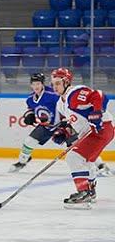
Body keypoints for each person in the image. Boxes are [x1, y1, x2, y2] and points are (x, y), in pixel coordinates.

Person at [49, 67, 114, 208]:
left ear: (66, 82)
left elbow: (99, 95)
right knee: (87, 161)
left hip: (100, 129)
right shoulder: (60, 104)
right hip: (93, 132)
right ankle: (90, 192)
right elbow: (73, 121)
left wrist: (97, 112)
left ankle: (84, 192)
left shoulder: (75, 93)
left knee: (74, 157)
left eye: (58, 83)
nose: (55, 87)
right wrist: (64, 131)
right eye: (53, 84)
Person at [9, 73, 63, 172]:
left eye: (38, 84)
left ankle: (92, 163)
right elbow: (31, 109)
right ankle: (22, 162)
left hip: (61, 126)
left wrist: (66, 121)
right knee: (29, 141)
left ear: (42, 84)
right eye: (33, 84)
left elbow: (65, 104)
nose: (36, 86)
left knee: (75, 144)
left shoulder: (52, 95)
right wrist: (29, 115)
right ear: (31, 85)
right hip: (46, 126)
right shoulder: (30, 99)